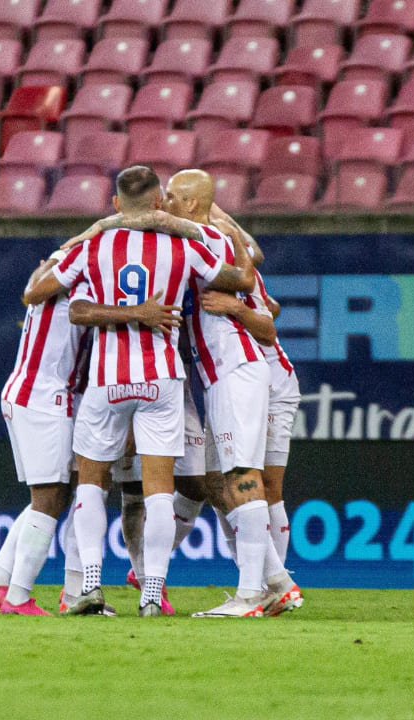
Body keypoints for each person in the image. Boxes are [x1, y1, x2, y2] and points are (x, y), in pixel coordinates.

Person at [25, 165, 255, 617]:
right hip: (162, 379)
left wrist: (73, 244)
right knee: (158, 492)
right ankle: (152, 592)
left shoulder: (94, 247)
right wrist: (232, 239)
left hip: (107, 381)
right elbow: (240, 279)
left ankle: (89, 585)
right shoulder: (184, 246)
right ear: (157, 203)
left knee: (92, 485)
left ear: (114, 205)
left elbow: (38, 293)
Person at [0, 211, 203, 616]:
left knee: (64, 491)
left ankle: (1, 580)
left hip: (35, 392)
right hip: (46, 396)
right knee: (60, 494)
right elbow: (83, 312)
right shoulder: (84, 277)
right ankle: (28, 594)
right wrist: (140, 312)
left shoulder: (59, 270)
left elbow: (40, 287)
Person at [159, 170, 297, 618]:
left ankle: (252, 594)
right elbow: (250, 259)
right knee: (232, 478)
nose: (166, 203)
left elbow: (246, 268)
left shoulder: (205, 235)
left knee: (243, 476)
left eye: (173, 197)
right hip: (222, 373)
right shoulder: (210, 236)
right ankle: (271, 586)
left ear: (194, 205)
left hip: (234, 369)